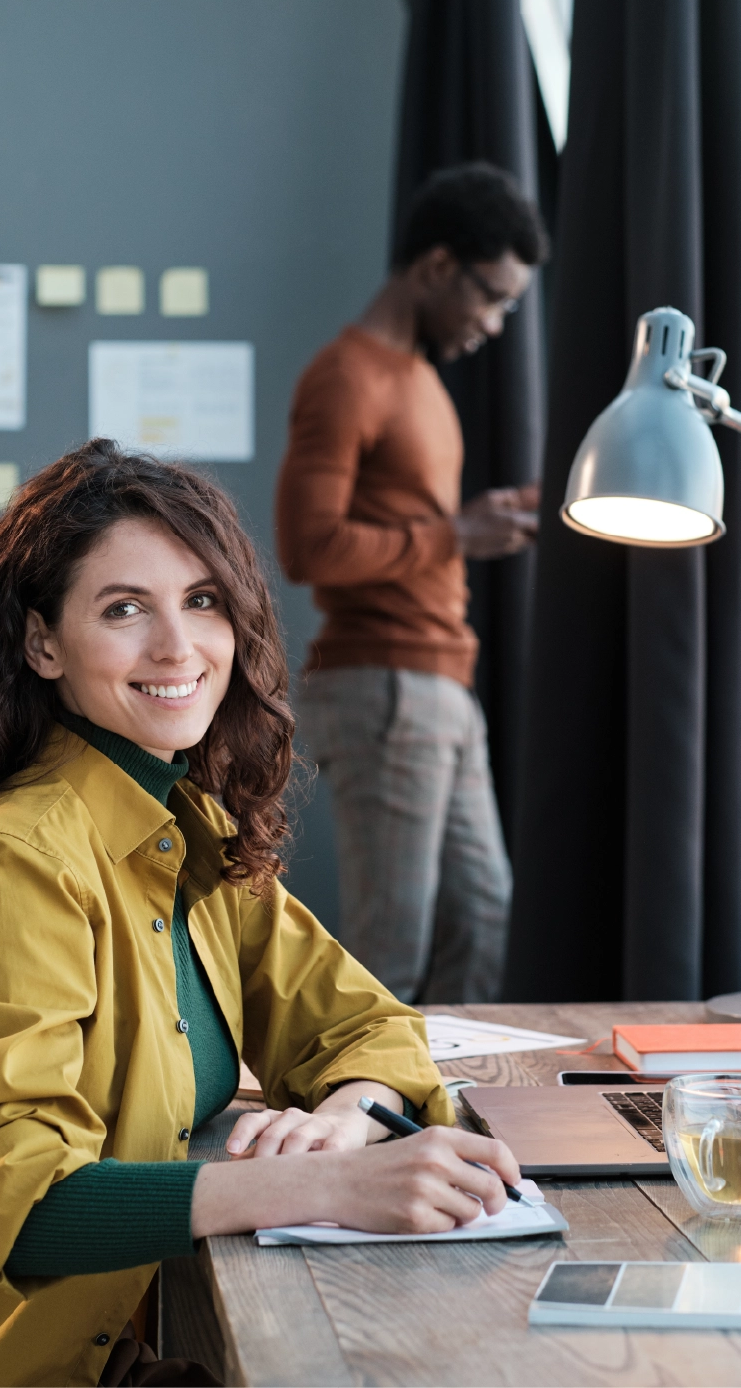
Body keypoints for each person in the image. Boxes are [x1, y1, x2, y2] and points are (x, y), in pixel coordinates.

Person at [0, 442, 519, 1388]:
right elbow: (20, 1208)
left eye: (202, 601)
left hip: (119, 1337)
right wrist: (318, 1184)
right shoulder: (18, 863)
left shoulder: (185, 830)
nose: (177, 647)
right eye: (125, 609)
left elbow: (363, 1023)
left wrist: (348, 1118)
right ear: (42, 644)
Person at [275, 162, 549, 1006]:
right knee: (392, 945)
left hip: (439, 681)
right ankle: (362, 1093)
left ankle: (442, 1088)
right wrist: (456, 534)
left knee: (483, 917)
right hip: (382, 684)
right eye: (491, 297)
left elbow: (414, 523)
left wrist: (486, 518)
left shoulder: (421, 381)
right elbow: (307, 547)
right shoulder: (345, 376)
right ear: (436, 266)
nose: (494, 323)